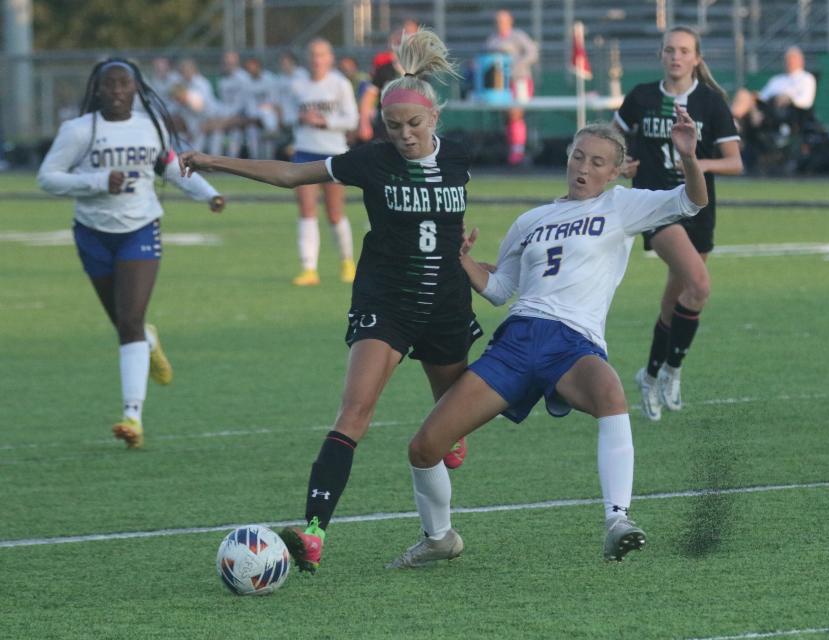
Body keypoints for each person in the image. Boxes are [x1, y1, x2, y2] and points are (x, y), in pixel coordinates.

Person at [179, 29, 481, 572]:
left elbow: (448, 222)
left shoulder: (458, 157)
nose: (405, 136)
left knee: (449, 421)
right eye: (393, 127)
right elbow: (294, 174)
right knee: (354, 410)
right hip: (386, 301)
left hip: (446, 303)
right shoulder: (371, 160)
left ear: (434, 116)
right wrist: (214, 161)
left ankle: (443, 504)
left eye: (413, 124)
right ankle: (314, 531)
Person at [386, 118, 707, 568]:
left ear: (614, 172)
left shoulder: (622, 206)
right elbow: (501, 290)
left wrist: (689, 158)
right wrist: (463, 261)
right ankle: (439, 538)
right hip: (517, 341)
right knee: (424, 446)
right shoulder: (530, 220)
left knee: (610, 392)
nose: (584, 168)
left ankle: (618, 520)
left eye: (597, 162)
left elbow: (693, 200)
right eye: (578, 156)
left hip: (573, 344)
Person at [37, 58, 225, 449]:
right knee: (126, 324)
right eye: (110, 85)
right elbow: (48, 177)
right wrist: (96, 181)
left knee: (129, 320)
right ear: (98, 89)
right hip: (92, 233)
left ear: (137, 89)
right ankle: (149, 342)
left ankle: (132, 417)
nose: (118, 91)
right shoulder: (78, 130)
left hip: (140, 227)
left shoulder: (150, 125)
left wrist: (208, 193)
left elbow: (170, 168)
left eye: (125, 85)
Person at [613, 25, 742, 422]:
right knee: (699, 285)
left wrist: (694, 162)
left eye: (684, 51)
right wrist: (621, 163)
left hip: (698, 207)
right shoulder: (642, 97)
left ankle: (651, 375)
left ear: (696, 58)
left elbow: (735, 162)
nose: (676, 57)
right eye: (670, 50)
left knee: (677, 298)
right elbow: (608, 141)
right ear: (661, 55)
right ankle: (671, 370)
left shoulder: (710, 102)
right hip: (657, 207)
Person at [288, 38, 359, 286]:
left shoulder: (340, 84)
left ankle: (347, 262)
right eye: (313, 55)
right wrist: (299, 117)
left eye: (321, 55)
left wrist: (323, 122)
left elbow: (352, 119)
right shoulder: (297, 84)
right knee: (307, 211)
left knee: (334, 212)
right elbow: (286, 114)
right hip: (305, 152)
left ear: (330, 58)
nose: (317, 60)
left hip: (333, 153)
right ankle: (309, 268)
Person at [486, 9, 539, 166]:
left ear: (510, 21)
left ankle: (518, 150)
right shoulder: (492, 40)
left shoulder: (518, 36)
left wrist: (515, 65)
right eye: (498, 21)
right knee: (507, 117)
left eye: (503, 21)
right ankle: (512, 147)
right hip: (501, 85)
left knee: (516, 113)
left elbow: (532, 53)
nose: (500, 24)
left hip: (520, 81)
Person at [730, 46, 817, 134]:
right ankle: (732, 122)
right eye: (788, 59)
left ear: (801, 61)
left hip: (787, 113)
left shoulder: (806, 78)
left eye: (793, 59)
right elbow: (763, 97)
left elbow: (806, 102)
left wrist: (788, 98)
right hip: (767, 109)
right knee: (743, 94)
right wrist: (754, 102)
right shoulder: (777, 79)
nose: (790, 62)